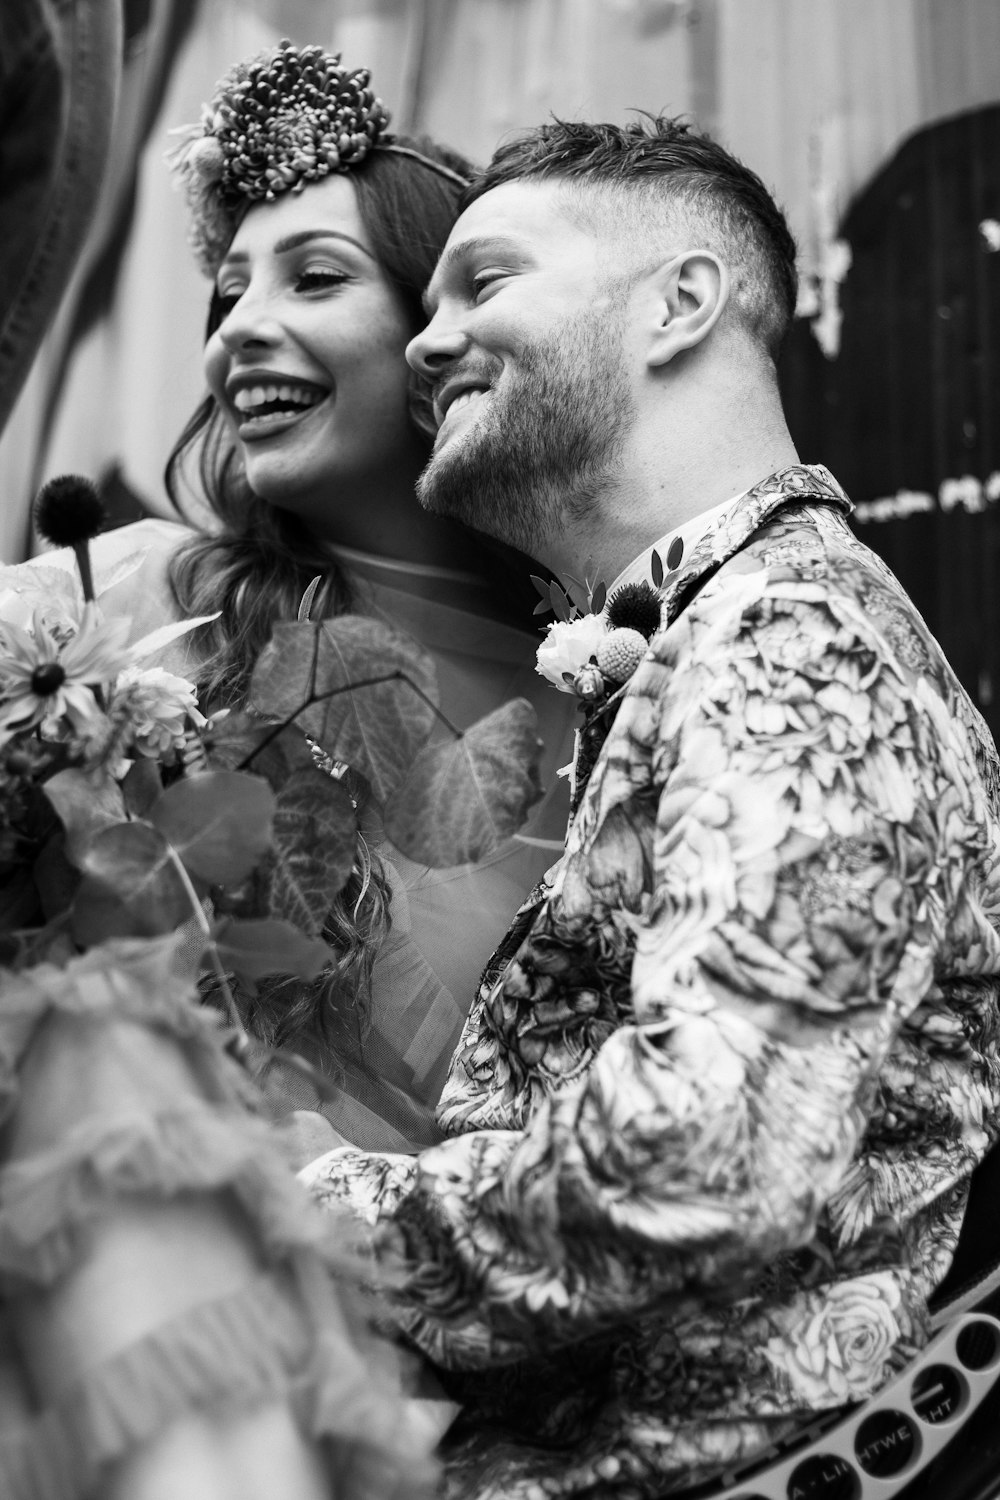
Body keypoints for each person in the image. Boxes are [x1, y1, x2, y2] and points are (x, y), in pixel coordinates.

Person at [302, 117, 1000, 1499]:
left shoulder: (798, 635)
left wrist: (298, 1207)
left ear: (681, 304)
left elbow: (707, 1156)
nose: (426, 345)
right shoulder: (722, 627)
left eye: (483, 284)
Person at [12, 41, 575, 1156]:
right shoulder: (129, 599)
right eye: (228, 295)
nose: (236, 332)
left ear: (444, 330)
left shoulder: (605, 693)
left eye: (313, 279)